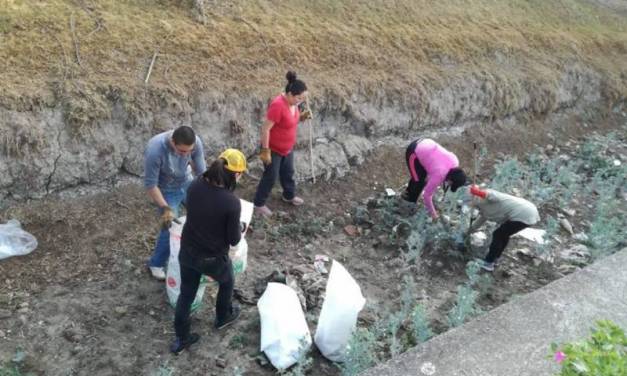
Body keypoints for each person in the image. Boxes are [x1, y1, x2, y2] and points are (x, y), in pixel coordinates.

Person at [171, 149, 248, 354]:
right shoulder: (231, 202)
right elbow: (233, 239)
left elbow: (200, 213)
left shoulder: (196, 185)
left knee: (186, 294)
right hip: (212, 258)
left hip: (187, 251)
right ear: (236, 174)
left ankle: (181, 339)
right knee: (227, 281)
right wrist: (239, 227)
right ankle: (222, 317)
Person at [144, 126, 206, 280]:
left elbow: (201, 172)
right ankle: (156, 264)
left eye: (189, 151)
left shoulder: (195, 143)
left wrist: (208, 192)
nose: (186, 154)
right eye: (182, 151)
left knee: (203, 212)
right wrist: (165, 208)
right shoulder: (155, 149)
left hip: (186, 181)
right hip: (165, 189)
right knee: (170, 227)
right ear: (173, 141)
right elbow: (151, 185)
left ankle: (195, 251)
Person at [253, 71, 313, 217]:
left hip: (287, 148)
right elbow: (266, 129)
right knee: (271, 176)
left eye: (303, 98)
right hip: (273, 149)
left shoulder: (295, 104)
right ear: (290, 94)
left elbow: (289, 121)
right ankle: (258, 204)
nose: (301, 101)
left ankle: (288, 195)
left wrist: (302, 116)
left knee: (288, 173)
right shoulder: (278, 105)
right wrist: (265, 150)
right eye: (299, 98)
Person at [463, 185, 540, 271]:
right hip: (526, 213)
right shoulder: (483, 206)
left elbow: (493, 196)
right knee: (503, 235)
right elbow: (481, 220)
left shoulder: (488, 195)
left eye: (469, 202)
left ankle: (489, 263)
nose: (470, 205)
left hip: (524, 214)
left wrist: (478, 192)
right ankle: (495, 258)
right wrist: (468, 232)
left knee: (498, 234)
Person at [402, 138, 467, 220]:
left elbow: (436, 164)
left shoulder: (455, 162)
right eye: (451, 184)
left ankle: (409, 193)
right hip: (414, 151)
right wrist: (433, 215)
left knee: (421, 177)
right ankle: (409, 201)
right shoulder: (440, 174)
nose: (450, 185)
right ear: (451, 179)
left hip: (427, 143)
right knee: (418, 182)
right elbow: (426, 196)